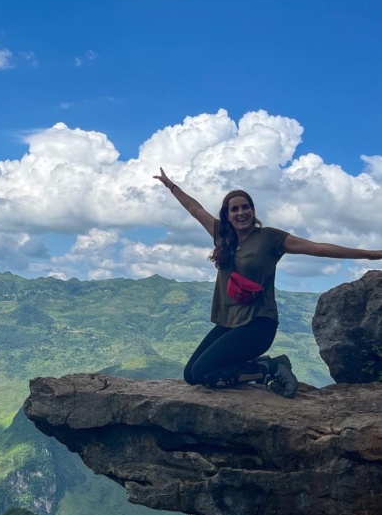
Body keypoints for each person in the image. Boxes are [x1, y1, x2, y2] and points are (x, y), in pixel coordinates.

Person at [154, 169, 382, 397]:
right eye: (235, 209)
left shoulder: (269, 238)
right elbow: (194, 209)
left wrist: (371, 254)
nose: (241, 213)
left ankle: (268, 369)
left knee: (204, 372)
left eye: (246, 207)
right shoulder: (222, 236)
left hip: (258, 324)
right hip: (229, 324)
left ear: (253, 211)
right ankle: (260, 368)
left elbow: (315, 247)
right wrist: (170, 185)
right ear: (227, 215)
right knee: (191, 375)